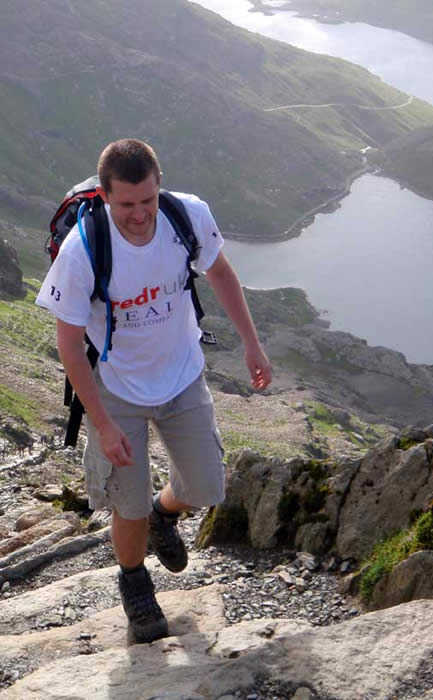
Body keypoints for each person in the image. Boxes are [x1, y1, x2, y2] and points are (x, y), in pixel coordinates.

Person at [36, 138, 272, 643]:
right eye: (126, 204)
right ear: (103, 196)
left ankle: (166, 516)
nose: (140, 215)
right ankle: (135, 583)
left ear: (159, 185)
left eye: (147, 200)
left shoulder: (187, 216)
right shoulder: (84, 249)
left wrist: (252, 344)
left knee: (207, 486)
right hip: (117, 389)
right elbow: (70, 346)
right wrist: (101, 423)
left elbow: (221, 272)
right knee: (129, 502)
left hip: (182, 374)